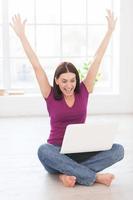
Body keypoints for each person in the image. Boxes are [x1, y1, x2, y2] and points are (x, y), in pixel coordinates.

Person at [10, 10, 124, 187]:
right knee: (43, 151)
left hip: (81, 150)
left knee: (118, 150)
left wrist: (109, 31)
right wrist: (22, 36)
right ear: (56, 80)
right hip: (56, 152)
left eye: (72, 80)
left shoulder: (84, 91)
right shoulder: (50, 94)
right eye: (64, 81)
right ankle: (94, 177)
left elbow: (97, 59)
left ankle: (67, 173)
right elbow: (36, 66)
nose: (69, 85)